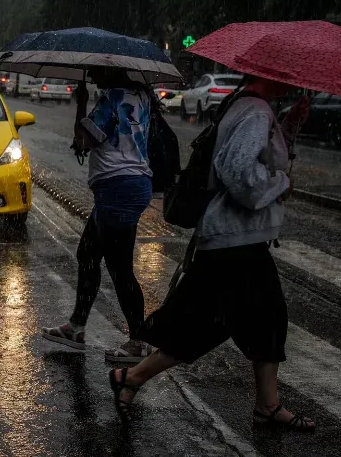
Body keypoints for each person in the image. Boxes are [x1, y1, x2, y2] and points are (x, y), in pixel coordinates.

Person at [109, 76, 315, 431]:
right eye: (285, 76)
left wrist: (290, 126)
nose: (291, 81)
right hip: (232, 239)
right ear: (268, 75)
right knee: (200, 324)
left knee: (265, 318)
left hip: (238, 239)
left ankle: (267, 406)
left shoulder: (253, 107)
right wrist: (281, 184)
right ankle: (131, 377)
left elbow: (260, 157)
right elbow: (239, 174)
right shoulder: (254, 111)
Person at [42, 67, 153, 362]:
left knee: (120, 269)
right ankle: (76, 327)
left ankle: (140, 341)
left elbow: (84, 142)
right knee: (88, 253)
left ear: (108, 70)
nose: (91, 75)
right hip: (126, 186)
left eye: (94, 71)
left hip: (119, 189)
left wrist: (80, 102)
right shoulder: (141, 94)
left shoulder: (111, 97)